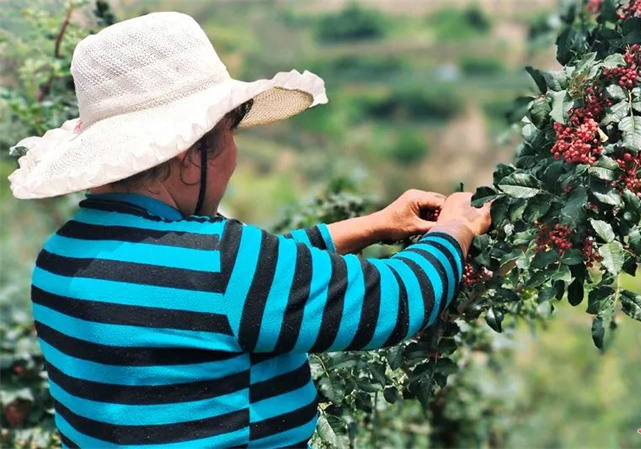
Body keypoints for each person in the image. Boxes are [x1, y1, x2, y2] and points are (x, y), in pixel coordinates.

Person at [8, 11, 491, 448]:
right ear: (190, 157)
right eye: (231, 134)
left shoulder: (58, 257)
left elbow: (227, 289)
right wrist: (454, 229)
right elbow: (399, 301)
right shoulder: (223, 266)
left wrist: (370, 226)